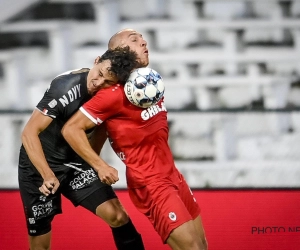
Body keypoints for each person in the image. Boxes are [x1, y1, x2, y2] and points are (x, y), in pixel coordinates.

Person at [62, 29, 208, 250]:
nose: (143, 42)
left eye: (142, 38)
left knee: (202, 246)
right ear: (119, 52)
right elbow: (71, 129)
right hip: (151, 183)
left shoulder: (148, 81)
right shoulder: (110, 94)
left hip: (173, 175)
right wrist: (100, 166)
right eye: (134, 40)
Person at [18, 46, 145, 250]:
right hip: (38, 165)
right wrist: (47, 175)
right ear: (96, 61)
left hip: (74, 162)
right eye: (100, 74)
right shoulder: (64, 87)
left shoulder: (109, 95)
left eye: (107, 82)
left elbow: (102, 129)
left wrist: (93, 164)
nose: (99, 83)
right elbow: (28, 133)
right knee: (40, 244)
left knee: (118, 216)